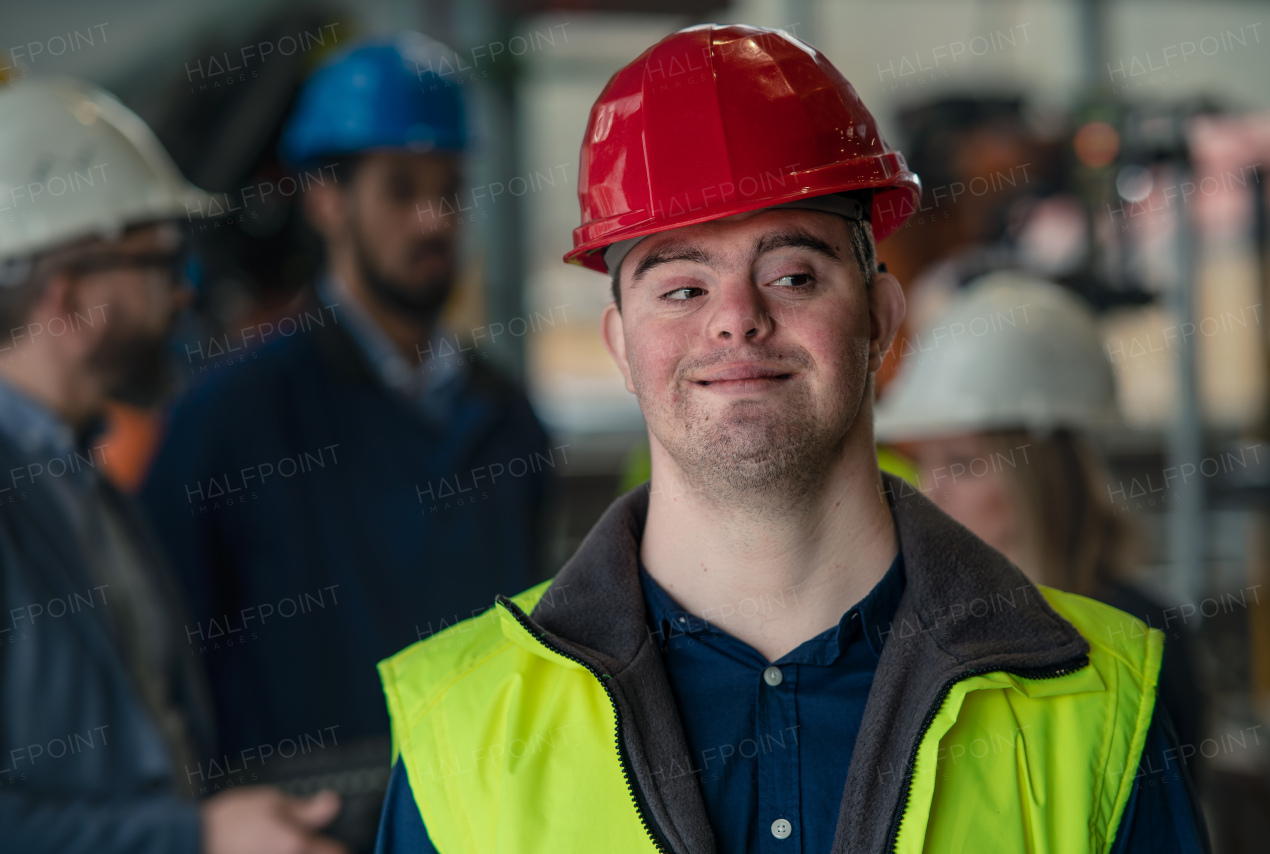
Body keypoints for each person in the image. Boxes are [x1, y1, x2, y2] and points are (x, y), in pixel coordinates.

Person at [373, 25, 1207, 853]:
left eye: (792, 275)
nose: (737, 318)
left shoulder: (1097, 700)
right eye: (682, 287)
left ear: (881, 320)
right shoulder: (461, 728)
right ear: (621, 347)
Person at [141, 33, 551, 850]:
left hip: (480, 821)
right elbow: (161, 677)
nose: (435, 219)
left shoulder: (509, 418)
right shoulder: (227, 418)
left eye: (451, 190)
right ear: (325, 200)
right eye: (401, 189)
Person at [0, 76, 345, 854]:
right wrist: (194, 837)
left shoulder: (83, 484)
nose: (183, 296)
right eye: (160, 264)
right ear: (67, 298)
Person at [874, 270, 1205, 763]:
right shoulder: (920, 627)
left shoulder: (1139, 633)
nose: (932, 490)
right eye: (926, 463)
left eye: (961, 463)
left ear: (1040, 476)